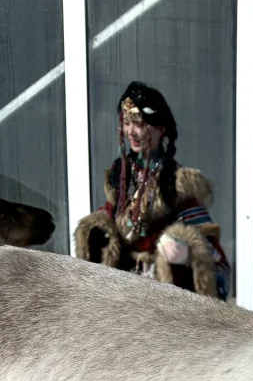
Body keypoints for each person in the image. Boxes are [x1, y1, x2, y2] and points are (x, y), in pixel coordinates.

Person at [75, 82, 230, 300]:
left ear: (160, 128)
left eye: (138, 124)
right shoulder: (120, 177)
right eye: (126, 123)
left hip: (160, 296)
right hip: (121, 292)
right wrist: (97, 231)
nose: (131, 132)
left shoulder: (178, 185)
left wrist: (187, 254)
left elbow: (216, 261)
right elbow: (110, 218)